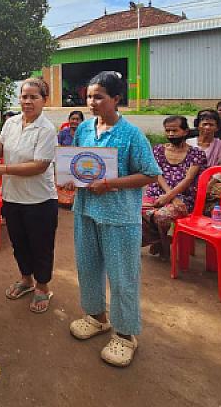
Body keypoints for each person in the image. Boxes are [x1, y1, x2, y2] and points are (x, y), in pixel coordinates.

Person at [62, 71, 160, 367]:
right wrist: (70, 179)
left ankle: (126, 334)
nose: (92, 102)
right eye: (89, 96)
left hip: (119, 217)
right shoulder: (85, 129)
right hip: (85, 211)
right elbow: (78, 163)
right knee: (88, 268)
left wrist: (110, 184)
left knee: (122, 278)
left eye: (99, 97)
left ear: (117, 99)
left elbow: (150, 173)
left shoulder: (132, 135)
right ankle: (97, 317)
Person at [0, 78, 58, 314]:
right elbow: (0, 151)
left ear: (44, 100)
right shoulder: (12, 123)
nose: (27, 101)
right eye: (24, 96)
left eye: (33, 97)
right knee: (19, 243)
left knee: (41, 245)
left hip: (40, 200)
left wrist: (4, 169)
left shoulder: (47, 129)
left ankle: (42, 286)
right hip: (12, 196)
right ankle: (26, 280)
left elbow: (39, 165)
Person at [141, 116, 207, 260]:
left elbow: (188, 179)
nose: (171, 134)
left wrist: (171, 197)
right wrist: (168, 196)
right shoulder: (158, 150)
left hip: (184, 196)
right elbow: (156, 173)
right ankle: (160, 240)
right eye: (168, 131)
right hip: (156, 193)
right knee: (134, 210)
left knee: (162, 216)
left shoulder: (197, 153)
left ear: (185, 131)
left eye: (175, 130)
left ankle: (164, 248)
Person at [186, 109, 221, 205]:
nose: (207, 127)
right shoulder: (188, 143)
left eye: (211, 125)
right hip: (188, 179)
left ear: (217, 128)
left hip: (211, 180)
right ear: (198, 126)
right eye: (204, 124)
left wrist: (209, 184)